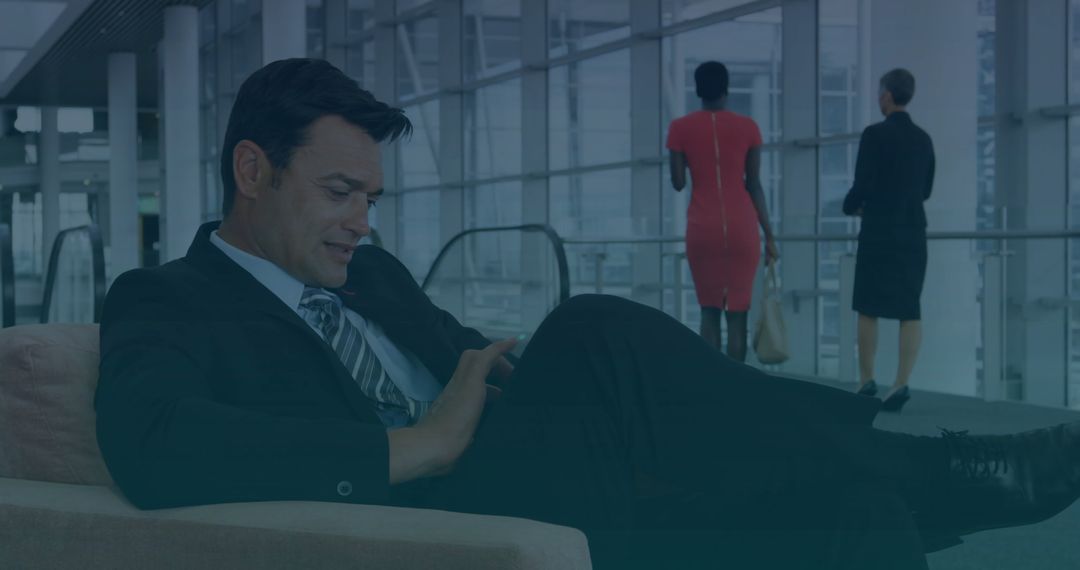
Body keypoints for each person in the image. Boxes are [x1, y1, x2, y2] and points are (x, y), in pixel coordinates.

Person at [96, 59, 1080, 570]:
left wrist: (499, 369)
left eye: (374, 199)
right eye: (341, 192)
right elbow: (155, 443)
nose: (362, 221)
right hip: (424, 523)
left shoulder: (376, 276)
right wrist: (420, 447)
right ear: (252, 170)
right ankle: (953, 468)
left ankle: (913, 479)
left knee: (848, 513)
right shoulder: (168, 301)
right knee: (595, 325)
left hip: (539, 481)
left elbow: (458, 352)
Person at [666, 61, 779, 362]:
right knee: (738, 315)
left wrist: (688, 158)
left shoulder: (680, 128)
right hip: (743, 227)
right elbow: (754, 185)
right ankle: (736, 393)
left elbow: (678, 183)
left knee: (709, 311)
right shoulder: (748, 128)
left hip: (703, 229)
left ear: (698, 89)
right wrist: (769, 235)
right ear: (727, 88)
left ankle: (710, 388)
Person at [843, 68, 935, 412]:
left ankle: (866, 379)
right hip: (912, 230)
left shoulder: (874, 135)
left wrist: (851, 207)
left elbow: (862, 183)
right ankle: (900, 383)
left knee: (868, 305)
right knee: (910, 309)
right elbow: (926, 189)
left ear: (886, 95)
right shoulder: (924, 139)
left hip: (878, 229)